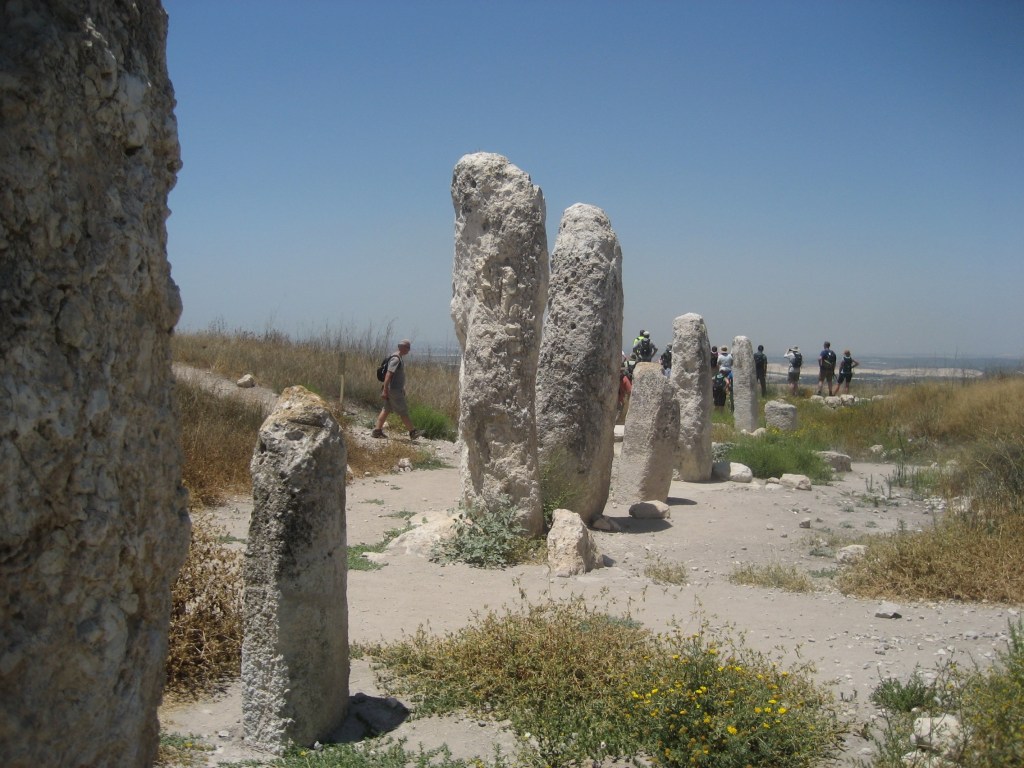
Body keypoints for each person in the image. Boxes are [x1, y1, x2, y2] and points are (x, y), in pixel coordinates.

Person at [372, 339, 422, 439]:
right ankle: (413, 432)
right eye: (407, 347)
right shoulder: (396, 359)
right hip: (394, 390)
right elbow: (388, 375)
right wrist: (385, 390)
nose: (409, 350)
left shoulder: (397, 357)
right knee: (403, 411)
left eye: (409, 347)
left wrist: (400, 387)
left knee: (386, 409)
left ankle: (377, 431)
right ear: (401, 347)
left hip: (393, 389)